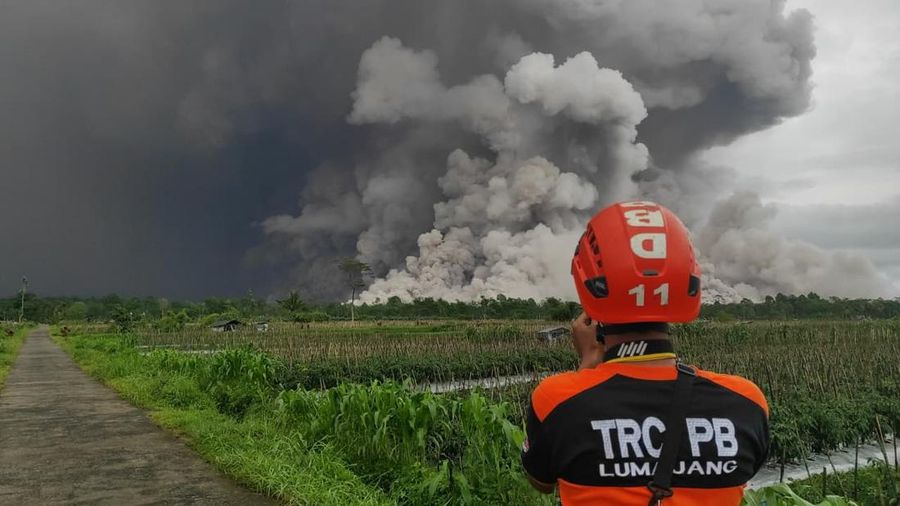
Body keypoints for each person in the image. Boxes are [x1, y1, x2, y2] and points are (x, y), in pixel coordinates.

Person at [522, 201, 769, 505]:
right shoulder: (746, 402)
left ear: (591, 293)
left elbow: (542, 482)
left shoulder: (555, 399)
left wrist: (588, 365)